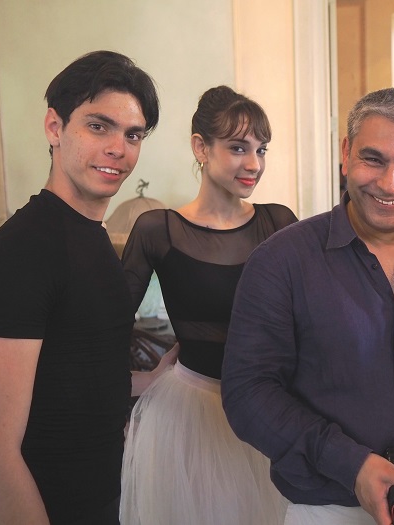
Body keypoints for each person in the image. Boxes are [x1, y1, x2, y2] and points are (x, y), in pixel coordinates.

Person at [222, 87, 394, 525]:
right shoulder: (281, 260)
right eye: (373, 159)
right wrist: (351, 463)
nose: (390, 183)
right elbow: (248, 393)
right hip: (328, 504)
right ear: (346, 154)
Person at [120, 85, 298, 525]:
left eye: (261, 149)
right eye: (238, 148)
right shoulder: (156, 229)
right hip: (188, 416)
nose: (254, 164)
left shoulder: (279, 223)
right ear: (201, 147)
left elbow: (312, 321)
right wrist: (139, 381)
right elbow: (105, 324)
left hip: (266, 414)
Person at [0, 50, 160, 525]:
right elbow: (0, 447)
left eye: (133, 135)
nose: (118, 149)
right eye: (97, 126)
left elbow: (69, 379)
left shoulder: (93, 238)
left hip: (103, 497)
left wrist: (157, 382)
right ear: (54, 127)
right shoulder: (25, 247)